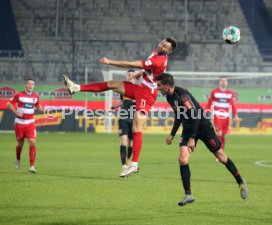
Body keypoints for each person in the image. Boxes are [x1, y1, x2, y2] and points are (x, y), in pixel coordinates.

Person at [63, 37, 177, 177]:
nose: (161, 46)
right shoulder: (158, 53)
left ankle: (134, 165)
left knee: (137, 127)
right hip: (141, 88)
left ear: (169, 51)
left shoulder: (158, 59)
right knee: (111, 84)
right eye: (162, 43)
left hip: (147, 94)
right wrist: (140, 74)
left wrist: (110, 62)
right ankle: (76, 87)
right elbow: (152, 72)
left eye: (165, 46)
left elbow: (130, 63)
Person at [156, 73, 248, 206]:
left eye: (159, 86)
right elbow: (178, 115)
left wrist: (192, 138)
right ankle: (188, 195)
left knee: (221, 156)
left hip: (203, 126)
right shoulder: (170, 97)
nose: (158, 88)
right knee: (183, 159)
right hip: (188, 128)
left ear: (167, 85)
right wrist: (172, 134)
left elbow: (197, 117)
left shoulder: (183, 97)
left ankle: (240, 181)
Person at [7, 78, 44, 173]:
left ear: (34, 86)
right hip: (19, 123)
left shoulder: (36, 96)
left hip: (30, 123)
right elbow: (9, 104)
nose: (30, 85)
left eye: (32, 84)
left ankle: (32, 166)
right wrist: (16, 112)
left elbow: (37, 105)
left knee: (32, 142)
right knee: (20, 143)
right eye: (28, 83)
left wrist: (43, 109)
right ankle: (18, 159)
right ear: (25, 85)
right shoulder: (19, 95)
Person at [111, 69, 136, 176]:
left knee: (132, 143)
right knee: (123, 140)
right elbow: (122, 101)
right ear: (127, 77)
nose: (130, 76)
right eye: (129, 75)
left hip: (135, 119)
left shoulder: (140, 89)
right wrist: (112, 107)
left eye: (132, 75)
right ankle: (124, 166)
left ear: (135, 77)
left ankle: (129, 161)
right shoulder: (123, 88)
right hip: (124, 118)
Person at [205, 76, 239, 150]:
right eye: (222, 81)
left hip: (226, 116)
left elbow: (232, 105)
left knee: (223, 135)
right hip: (217, 115)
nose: (223, 82)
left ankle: (221, 151)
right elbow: (209, 103)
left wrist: (236, 115)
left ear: (227, 83)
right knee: (219, 133)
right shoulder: (214, 92)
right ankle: (219, 151)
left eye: (225, 81)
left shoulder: (230, 93)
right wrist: (206, 112)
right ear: (219, 82)